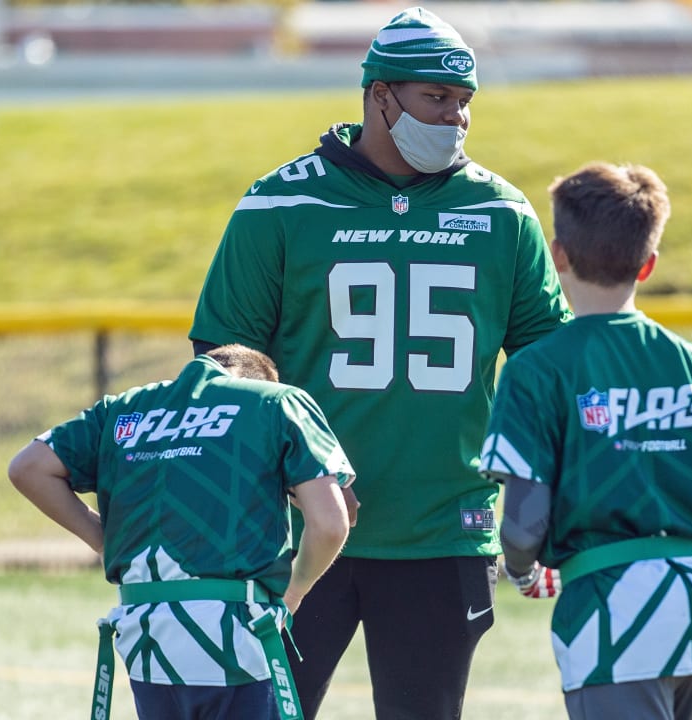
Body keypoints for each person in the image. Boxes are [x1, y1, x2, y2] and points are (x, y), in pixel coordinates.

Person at [188, 7, 572, 718]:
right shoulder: (281, 201)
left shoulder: (500, 211)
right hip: (295, 530)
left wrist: (541, 500)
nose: (454, 118)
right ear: (379, 94)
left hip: (443, 527)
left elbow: (547, 369)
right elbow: (225, 366)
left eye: (464, 103)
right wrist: (284, 479)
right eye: (437, 98)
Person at [478, 161, 692, 720]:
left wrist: (523, 568)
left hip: (612, 613)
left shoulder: (537, 368)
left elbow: (526, 519)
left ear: (558, 256)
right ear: (648, 264)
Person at [7, 344, 354, 720]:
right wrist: (295, 590)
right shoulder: (276, 400)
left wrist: (104, 541)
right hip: (239, 634)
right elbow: (332, 523)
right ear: (259, 380)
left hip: (147, 637)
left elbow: (28, 467)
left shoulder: (122, 408)